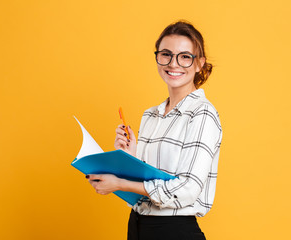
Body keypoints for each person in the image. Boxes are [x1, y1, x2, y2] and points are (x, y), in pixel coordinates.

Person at [86, 20, 223, 240]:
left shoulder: (202, 114)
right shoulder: (150, 115)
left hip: (174, 230)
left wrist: (119, 183)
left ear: (199, 64)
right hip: (139, 225)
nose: (173, 63)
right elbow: (148, 179)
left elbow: (187, 189)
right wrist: (129, 155)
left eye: (185, 56)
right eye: (166, 54)